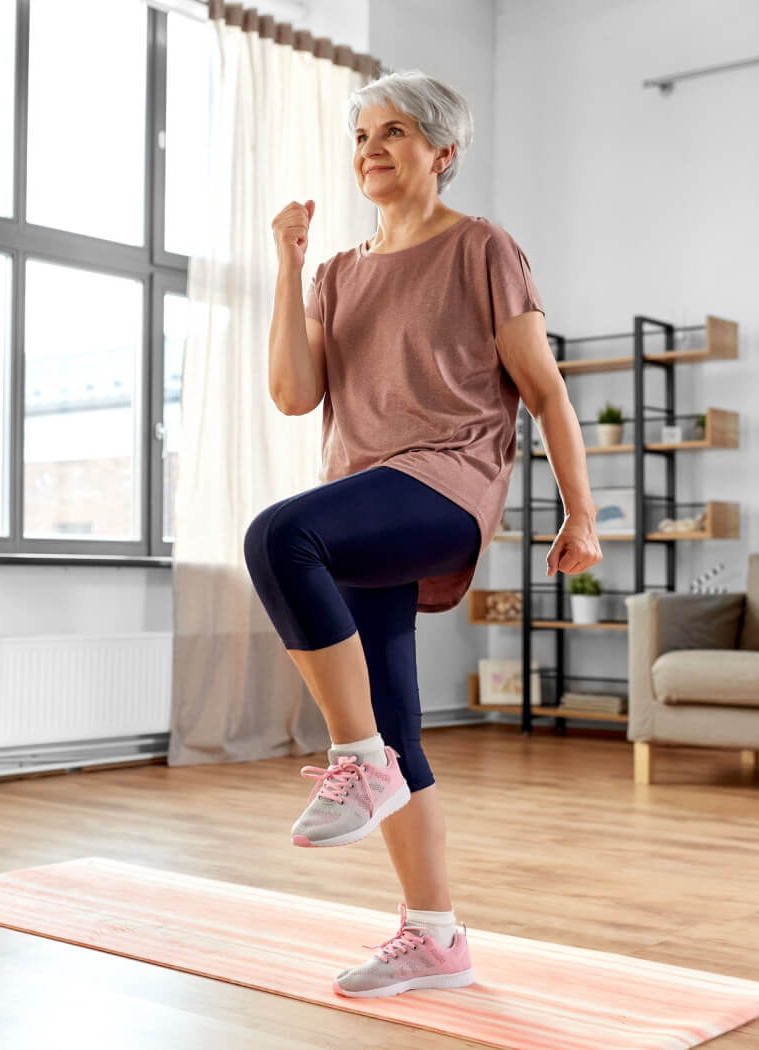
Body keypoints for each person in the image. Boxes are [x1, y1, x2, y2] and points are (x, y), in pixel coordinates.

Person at [243, 70, 601, 998]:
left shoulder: (482, 248)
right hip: (362, 506)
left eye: (395, 131)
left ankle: (356, 763)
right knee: (399, 722)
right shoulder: (339, 272)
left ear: (442, 151)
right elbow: (294, 394)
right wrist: (288, 262)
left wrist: (581, 512)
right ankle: (436, 937)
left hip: (445, 486)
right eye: (362, 134)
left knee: (277, 538)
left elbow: (546, 390)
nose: (372, 148)